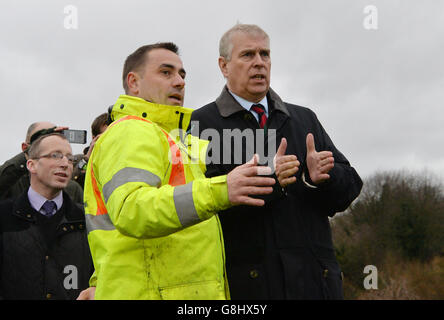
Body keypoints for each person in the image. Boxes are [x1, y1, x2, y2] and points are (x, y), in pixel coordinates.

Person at [82, 42, 276, 299]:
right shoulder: (130, 131)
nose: (179, 82)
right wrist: (221, 190)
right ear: (134, 82)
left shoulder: (174, 139)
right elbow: (131, 209)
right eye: (166, 72)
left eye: (182, 75)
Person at [190, 24, 363, 299]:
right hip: (249, 287)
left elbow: (350, 188)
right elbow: (201, 206)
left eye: (265, 54)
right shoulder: (201, 124)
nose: (259, 62)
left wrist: (318, 179)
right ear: (224, 66)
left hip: (315, 284)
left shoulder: (303, 118)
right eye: (248, 55)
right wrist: (271, 182)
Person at [0, 133, 94, 299]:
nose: (65, 164)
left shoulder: (87, 220)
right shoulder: (5, 217)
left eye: (70, 158)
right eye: (55, 156)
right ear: (31, 165)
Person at [0, 122, 84, 203]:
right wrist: (33, 150)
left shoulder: (72, 189)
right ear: (25, 147)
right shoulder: (13, 182)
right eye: (41, 139)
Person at [72, 113, 109, 188]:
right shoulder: (79, 160)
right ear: (94, 138)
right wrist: (87, 158)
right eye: (105, 135)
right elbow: (73, 181)